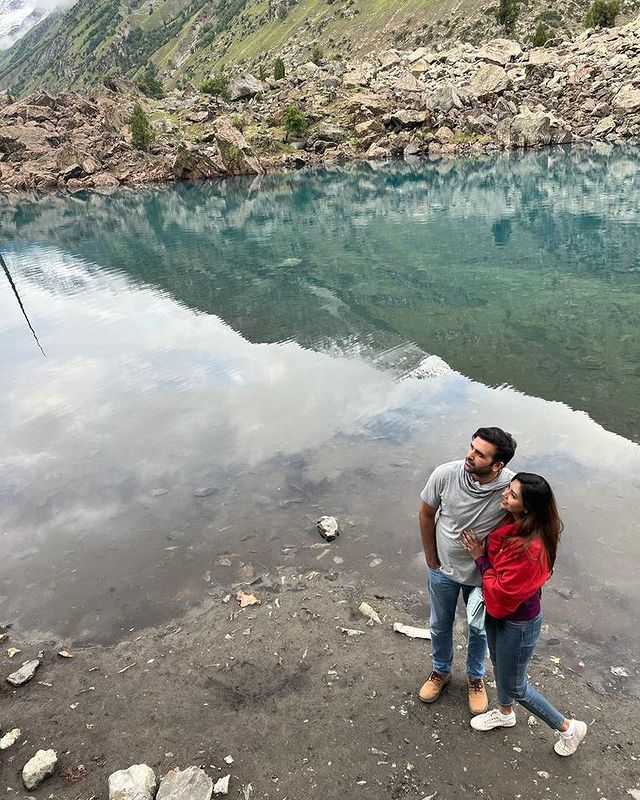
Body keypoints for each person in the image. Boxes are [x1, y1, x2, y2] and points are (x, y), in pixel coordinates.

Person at [460, 473, 588, 756]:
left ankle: (568, 728)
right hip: (500, 614)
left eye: (513, 495)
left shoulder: (532, 549)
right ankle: (505, 714)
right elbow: (501, 582)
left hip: (518, 622)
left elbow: (504, 591)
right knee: (498, 664)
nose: (505, 495)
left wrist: (479, 558)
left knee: (516, 685)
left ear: (528, 507)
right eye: (508, 488)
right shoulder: (514, 523)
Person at [418, 427, 517, 714]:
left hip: (484, 576)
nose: (469, 455)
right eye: (471, 447)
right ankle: (441, 672)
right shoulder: (446, 474)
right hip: (443, 570)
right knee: (439, 624)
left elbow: (527, 521)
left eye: (479, 454)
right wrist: (430, 558)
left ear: (497, 465)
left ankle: (476, 678)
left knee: (480, 629)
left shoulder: (510, 487)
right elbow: (426, 512)